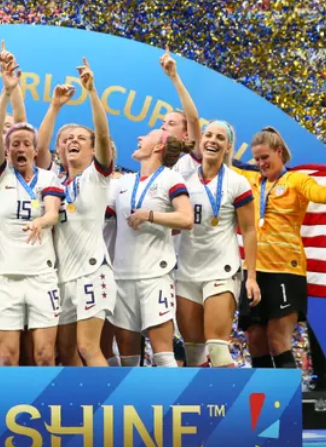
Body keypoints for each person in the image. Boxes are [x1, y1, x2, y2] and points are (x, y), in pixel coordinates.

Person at [234, 127, 326, 369]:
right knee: (254, 340)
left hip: (286, 270)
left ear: (279, 152)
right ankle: (267, 403)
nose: (261, 163)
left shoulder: (297, 180)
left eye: (265, 157)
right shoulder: (250, 179)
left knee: (277, 340)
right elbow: (215, 158)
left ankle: (288, 406)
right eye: (257, 159)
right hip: (252, 271)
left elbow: (322, 195)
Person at [0, 51, 65, 366]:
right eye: (14, 144)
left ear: (36, 149)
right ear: (6, 150)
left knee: (45, 356)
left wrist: (41, 222)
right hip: (5, 277)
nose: (20, 147)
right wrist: (8, 91)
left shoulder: (49, 177)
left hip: (42, 277)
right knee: (7, 357)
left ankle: (43, 412)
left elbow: (51, 211)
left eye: (26, 143)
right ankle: (10, 411)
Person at [176, 121, 261, 368]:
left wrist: (251, 277)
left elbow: (249, 230)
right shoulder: (182, 180)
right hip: (187, 272)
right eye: (209, 135)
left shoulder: (237, 183)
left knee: (217, 349)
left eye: (220, 138)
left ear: (228, 147)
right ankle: (200, 406)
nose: (213, 140)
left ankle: (234, 406)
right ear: (201, 141)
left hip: (221, 270)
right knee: (193, 354)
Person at [107, 129, 193, 367]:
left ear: (158, 147)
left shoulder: (170, 179)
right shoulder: (122, 183)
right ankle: (130, 403)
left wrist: (150, 215)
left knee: (163, 354)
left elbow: (187, 219)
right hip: (122, 276)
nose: (138, 137)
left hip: (155, 275)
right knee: (127, 360)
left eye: (145, 136)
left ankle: (171, 402)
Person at [52, 58, 115, 367]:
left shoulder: (97, 176)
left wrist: (92, 92)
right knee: (66, 354)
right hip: (62, 275)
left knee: (88, 348)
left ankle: (109, 412)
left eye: (82, 139)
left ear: (92, 150)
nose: (74, 141)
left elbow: (103, 135)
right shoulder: (54, 183)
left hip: (92, 271)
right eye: (69, 139)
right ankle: (79, 411)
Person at [159, 47, 203, 180]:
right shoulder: (155, 159)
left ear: (186, 135)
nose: (163, 127)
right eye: (163, 122)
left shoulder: (191, 159)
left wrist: (174, 76)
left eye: (171, 123)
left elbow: (193, 119)